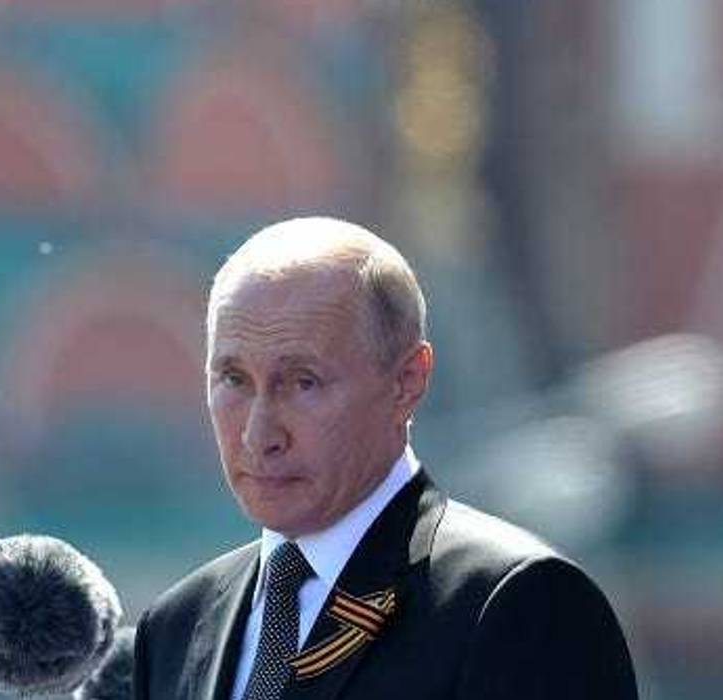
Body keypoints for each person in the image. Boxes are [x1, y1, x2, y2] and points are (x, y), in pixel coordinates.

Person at [132, 217, 637, 700]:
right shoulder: (176, 627)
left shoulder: (517, 604)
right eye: (233, 379)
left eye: (304, 382)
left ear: (407, 381)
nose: (258, 434)